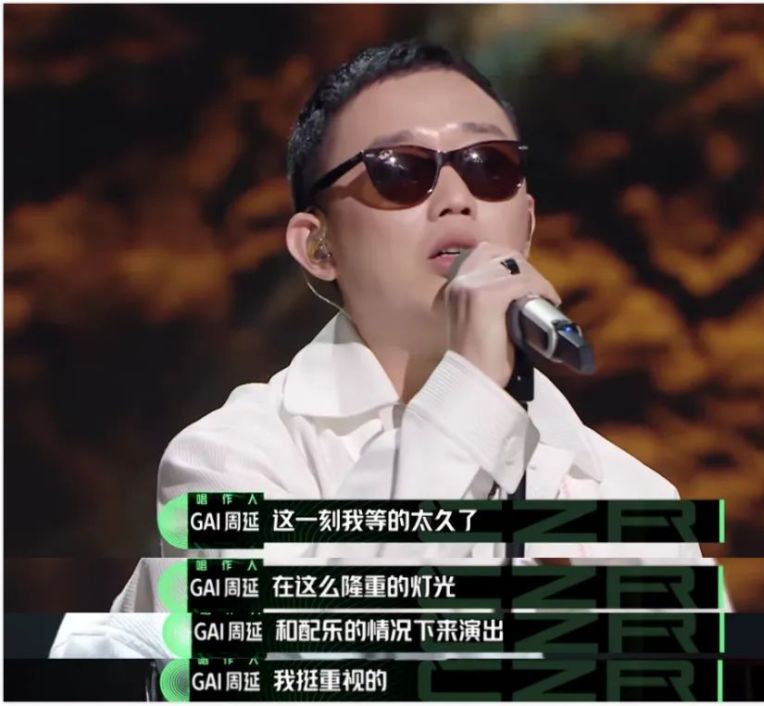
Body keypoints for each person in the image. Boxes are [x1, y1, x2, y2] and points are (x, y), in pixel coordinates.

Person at [50, 38, 728, 661]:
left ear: (526, 224)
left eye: (489, 166)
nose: (456, 198)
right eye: (401, 170)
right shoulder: (233, 459)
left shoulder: (633, 497)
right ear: (318, 245)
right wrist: (469, 388)